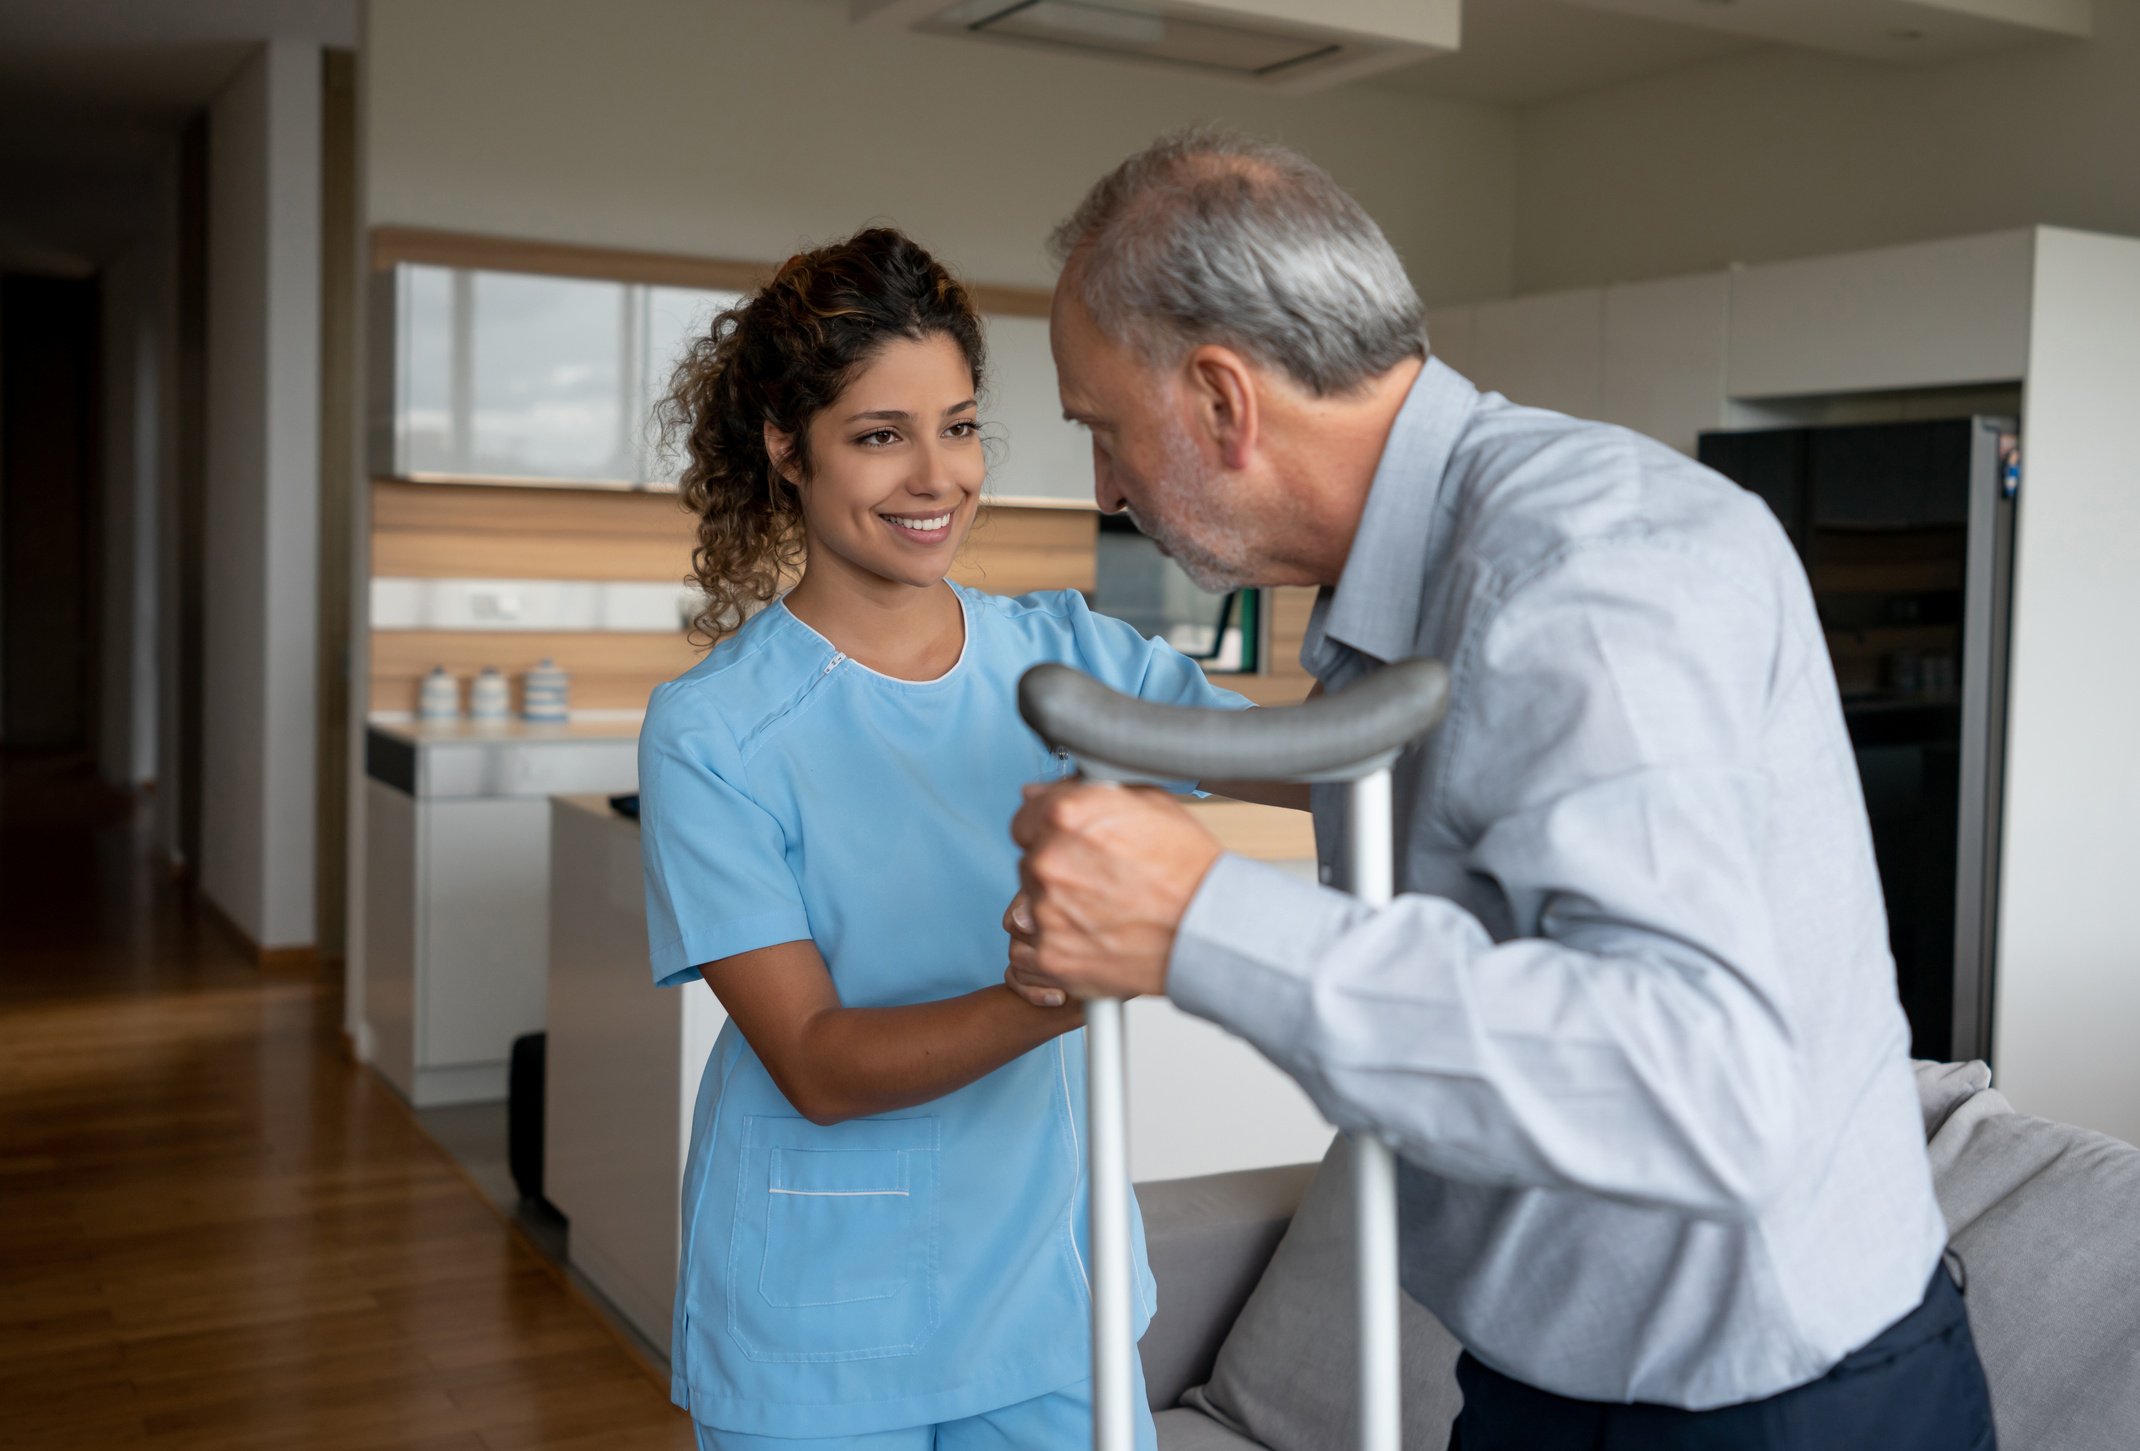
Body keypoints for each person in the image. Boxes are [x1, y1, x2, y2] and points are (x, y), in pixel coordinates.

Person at [1006, 130, 1997, 1450]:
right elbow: (1475, 805)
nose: (1108, 488)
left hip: (1764, 1412)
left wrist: (1194, 917)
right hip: (1548, 1381)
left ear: (1222, 400)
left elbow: (1696, 1079)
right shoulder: (1415, 577)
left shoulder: (1579, 573)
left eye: (1107, 433)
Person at [636, 226, 1249, 1450]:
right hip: (815, 1318)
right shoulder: (715, 729)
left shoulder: (1062, 653)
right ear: (784, 449)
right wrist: (1052, 993)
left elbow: (1307, 765)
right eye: (880, 434)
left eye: (959, 425)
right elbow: (812, 1059)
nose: (937, 475)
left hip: (1048, 1297)